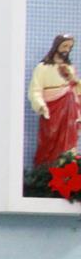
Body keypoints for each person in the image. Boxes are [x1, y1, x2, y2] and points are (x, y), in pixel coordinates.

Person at [28, 33, 78, 169]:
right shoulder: (43, 68)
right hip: (52, 110)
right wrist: (41, 106)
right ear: (57, 46)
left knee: (68, 141)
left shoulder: (70, 68)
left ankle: (67, 169)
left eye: (70, 47)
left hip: (69, 110)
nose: (67, 49)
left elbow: (75, 88)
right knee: (49, 138)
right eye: (64, 46)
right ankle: (46, 170)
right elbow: (35, 89)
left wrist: (74, 81)